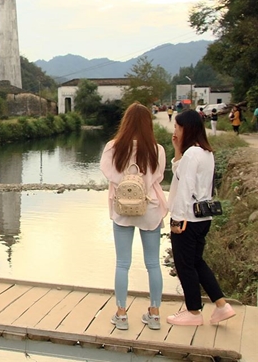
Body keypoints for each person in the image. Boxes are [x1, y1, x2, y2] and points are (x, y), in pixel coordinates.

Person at [99, 102, 168, 331]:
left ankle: (121, 315)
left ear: (125, 122)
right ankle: (155, 315)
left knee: (122, 264)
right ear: (148, 124)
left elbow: (108, 173)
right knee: (152, 264)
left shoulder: (113, 147)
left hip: (123, 210)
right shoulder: (157, 149)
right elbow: (157, 177)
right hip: (150, 210)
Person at [166, 109, 236, 326]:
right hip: (202, 218)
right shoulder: (205, 152)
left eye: (177, 127)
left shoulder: (192, 155)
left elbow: (185, 188)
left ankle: (193, 312)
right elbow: (183, 176)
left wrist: (177, 220)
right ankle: (222, 306)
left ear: (186, 128)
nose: (175, 131)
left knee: (184, 265)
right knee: (197, 262)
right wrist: (177, 150)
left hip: (187, 218)